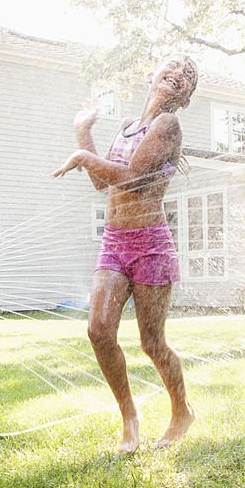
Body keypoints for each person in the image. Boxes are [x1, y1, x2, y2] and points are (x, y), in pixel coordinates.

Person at [52, 55, 198, 454]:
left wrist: (82, 157)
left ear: (186, 97)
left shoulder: (167, 125)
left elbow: (132, 179)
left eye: (188, 77)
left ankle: (181, 412)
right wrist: (84, 132)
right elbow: (104, 183)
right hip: (115, 244)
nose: (178, 76)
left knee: (152, 343)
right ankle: (129, 418)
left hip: (151, 244)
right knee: (99, 331)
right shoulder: (126, 129)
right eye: (173, 67)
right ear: (152, 75)